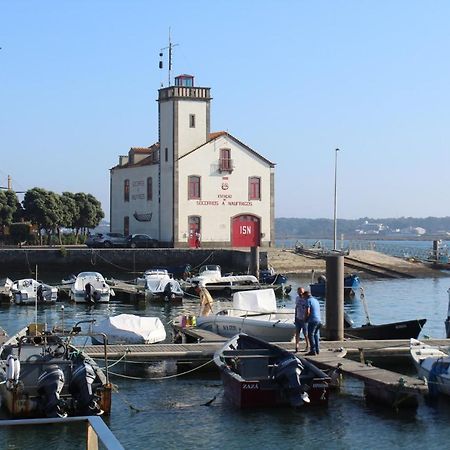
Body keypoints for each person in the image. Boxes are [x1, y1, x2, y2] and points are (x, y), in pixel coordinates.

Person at [303, 290, 322, 356]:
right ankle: (317, 350)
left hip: (312, 320)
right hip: (319, 320)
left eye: (303, 296)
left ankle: (312, 350)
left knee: (310, 335)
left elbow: (307, 311)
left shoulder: (308, 301)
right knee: (315, 335)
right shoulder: (316, 300)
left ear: (305, 295)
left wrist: (305, 319)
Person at [294, 286, 309, 353]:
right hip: (298, 318)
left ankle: (307, 345)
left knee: (305, 333)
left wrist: (307, 318)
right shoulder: (297, 298)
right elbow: (296, 307)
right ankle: (297, 346)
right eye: (299, 292)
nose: (300, 293)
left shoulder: (306, 299)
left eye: (301, 292)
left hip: (304, 319)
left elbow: (308, 309)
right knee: (297, 332)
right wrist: (295, 317)